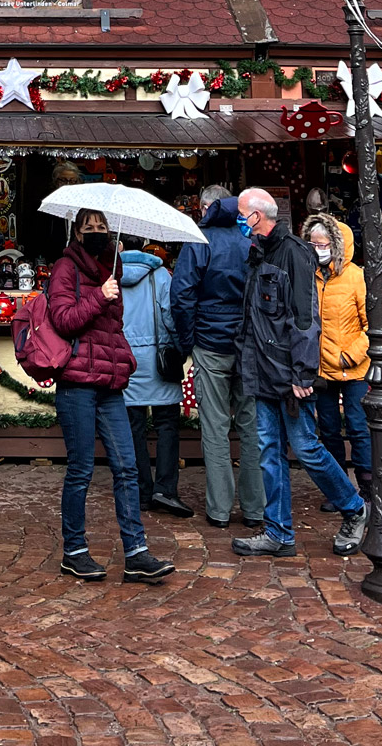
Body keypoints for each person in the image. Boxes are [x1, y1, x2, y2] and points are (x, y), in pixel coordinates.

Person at [233, 187, 368, 559]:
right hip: (261, 371)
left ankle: (355, 508)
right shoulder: (258, 253)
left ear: (257, 217)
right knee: (269, 453)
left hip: (289, 375)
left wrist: (303, 374)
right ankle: (278, 532)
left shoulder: (293, 253)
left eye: (241, 213)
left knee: (307, 448)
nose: (238, 220)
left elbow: (305, 320)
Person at [46, 209, 174, 584]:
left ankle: (136, 554)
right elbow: (63, 319)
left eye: (102, 226)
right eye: (90, 228)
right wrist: (100, 297)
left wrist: (125, 357)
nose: (98, 232)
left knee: (128, 468)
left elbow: (111, 327)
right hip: (77, 383)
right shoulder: (65, 269)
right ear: (76, 232)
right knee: (82, 469)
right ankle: (75, 551)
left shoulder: (112, 266)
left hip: (111, 381)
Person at [168, 184, 265, 532]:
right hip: (249, 344)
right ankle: (255, 509)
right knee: (251, 429)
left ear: (206, 207)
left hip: (210, 343)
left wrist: (188, 341)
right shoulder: (252, 238)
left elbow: (181, 297)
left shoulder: (199, 240)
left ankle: (219, 509)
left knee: (215, 428)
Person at [119, 241, 192, 517]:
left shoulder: (112, 275)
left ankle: (142, 491)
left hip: (127, 361)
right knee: (167, 426)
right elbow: (171, 318)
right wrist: (180, 350)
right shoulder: (160, 275)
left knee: (134, 427)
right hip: (159, 361)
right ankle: (165, 489)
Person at [305, 213, 371, 501]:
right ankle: (339, 491)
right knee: (329, 430)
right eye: (313, 244)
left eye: (323, 244)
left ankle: (368, 489)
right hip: (320, 370)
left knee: (358, 428)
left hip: (352, 368)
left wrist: (350, 356)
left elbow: (374, 325)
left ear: (336, 245)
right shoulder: (308, 277)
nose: (317, 249)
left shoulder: (357, 277)